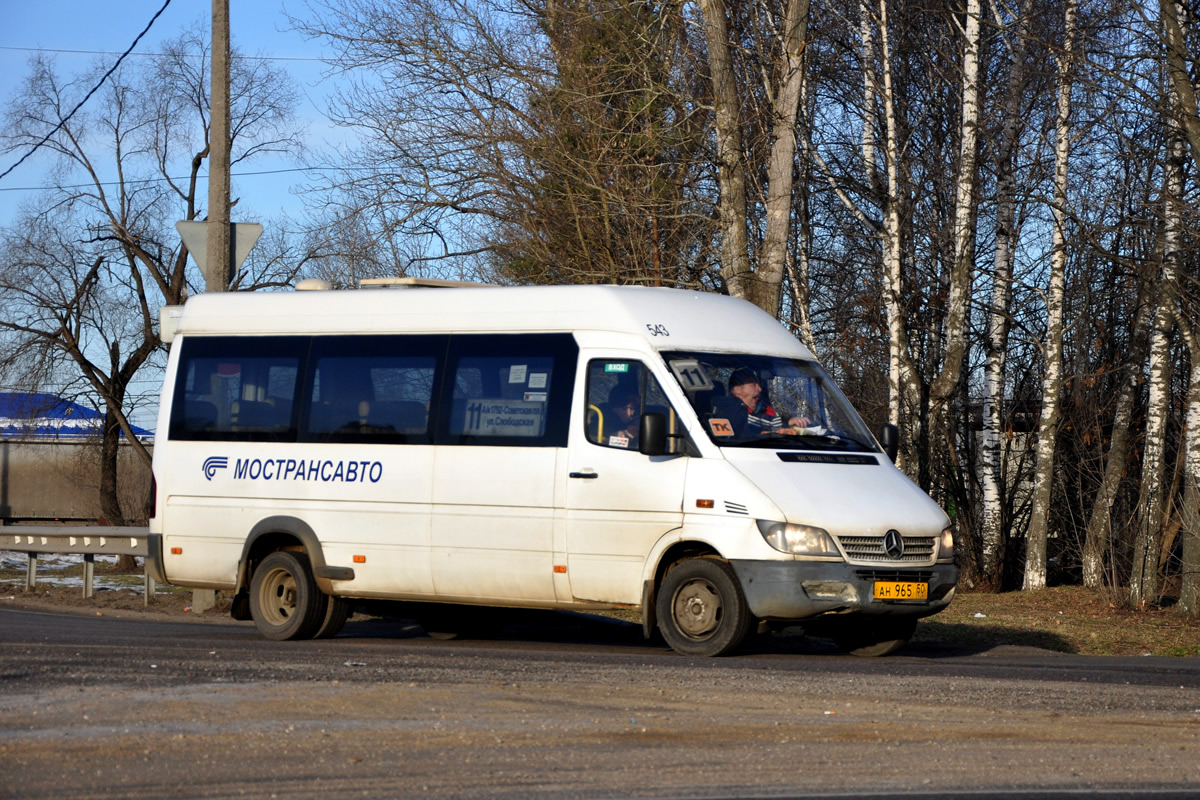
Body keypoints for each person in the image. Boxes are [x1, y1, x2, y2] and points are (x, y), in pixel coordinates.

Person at [727, 369, 810, 435]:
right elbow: (749, 420)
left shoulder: (765, 410)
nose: (759, 389)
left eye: (759, 385)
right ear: (737, 389)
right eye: (753, 385)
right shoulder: (726, 408)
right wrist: (786, 421)